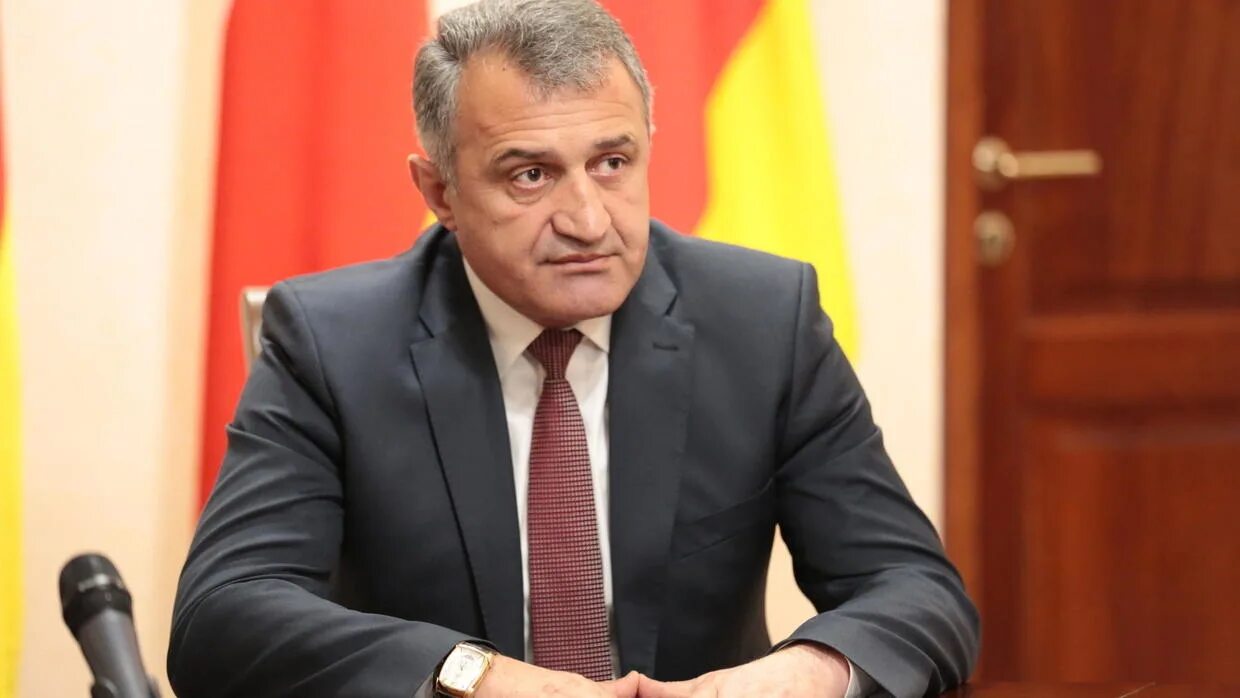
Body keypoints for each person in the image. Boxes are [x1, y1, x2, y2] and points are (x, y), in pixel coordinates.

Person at [168, 1, 978, 696]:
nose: (588, 220)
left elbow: (916, 590)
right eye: (530, 175)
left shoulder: (762, 321)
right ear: (440, 190)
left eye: (612, 163)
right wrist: (473, 678)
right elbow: (223, 617)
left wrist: (801, 674)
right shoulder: (333, 342)